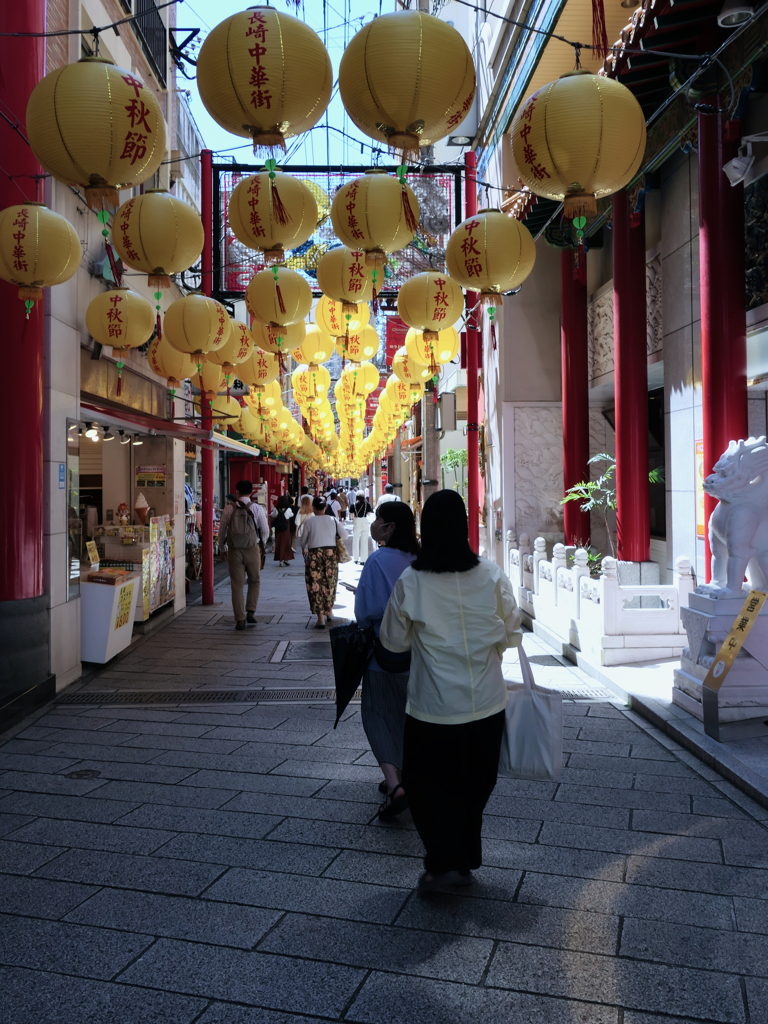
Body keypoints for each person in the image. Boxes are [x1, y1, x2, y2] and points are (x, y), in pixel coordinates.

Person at [380, 489, 522, 893]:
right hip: (486, 705)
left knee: (429, 787)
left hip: (433, 709)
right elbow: (512, 634)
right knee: (475, 784)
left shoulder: (412, 581)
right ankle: (461, 855)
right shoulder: (492, 575)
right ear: (464, 528)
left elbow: (393, 645)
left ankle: (444, 861)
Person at [355, 502, 420, 821]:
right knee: (411, 716)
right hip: (421, 655)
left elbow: (364, 613)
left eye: (379, 519)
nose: (375, 523)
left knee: (378, 714)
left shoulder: (378, 561)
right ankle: (408, 774)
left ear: (390, 526)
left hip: (384, 653)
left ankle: (395, 785)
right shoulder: (422, 560)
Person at [218, 479, 269, 631]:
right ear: (251, 492)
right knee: (254, 580)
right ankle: (251, 611)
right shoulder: (257, 508)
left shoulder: (228, 509)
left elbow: (222, 531)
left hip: (234, 550)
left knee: (237, 585)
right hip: (252, 548)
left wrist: (222, 548)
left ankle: (240, 619)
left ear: (237, 492)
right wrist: (263, 543)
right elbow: (265, 529)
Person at [300, 496, 347, 629]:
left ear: (313, 508)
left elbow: (303, 542)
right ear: (325, 507)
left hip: (315, 555)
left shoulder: (309, 522)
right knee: (330, 582)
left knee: (315, 584)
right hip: (330, 555)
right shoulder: (333, 520)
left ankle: (320, 617)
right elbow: (345, 535)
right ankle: (329, 611)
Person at [271, 493, 294, 566]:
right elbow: (291, 515)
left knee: (279, 544)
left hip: (278, 529)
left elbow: (272, 515)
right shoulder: (288, 509)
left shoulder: (276, 510)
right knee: (286, 543)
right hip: (286, 529)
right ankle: (286, 559)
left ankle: (280, 560)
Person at [352, 490, 373, 564]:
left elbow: (351, 515)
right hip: (364, 521)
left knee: (355, 540)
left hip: (357, 521)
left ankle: (355, 558)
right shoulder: (367, 504)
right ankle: (363, 560)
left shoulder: (353, 504)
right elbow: (369, 513)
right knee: (364, 541)